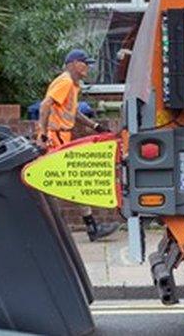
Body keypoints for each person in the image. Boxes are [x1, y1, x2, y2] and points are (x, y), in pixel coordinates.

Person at [37, 48, 121, 242]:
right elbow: (45, 105)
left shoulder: (73, 86)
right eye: (85, 63)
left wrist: (95, 126)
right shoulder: (65, 81)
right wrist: (42, 133)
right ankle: (71, 228)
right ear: (74, 63)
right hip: (55, 138)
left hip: (61, 137)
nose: (88, 68)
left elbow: (72, 113)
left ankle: (90, 227)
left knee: (72, 179)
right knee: (63, 182)